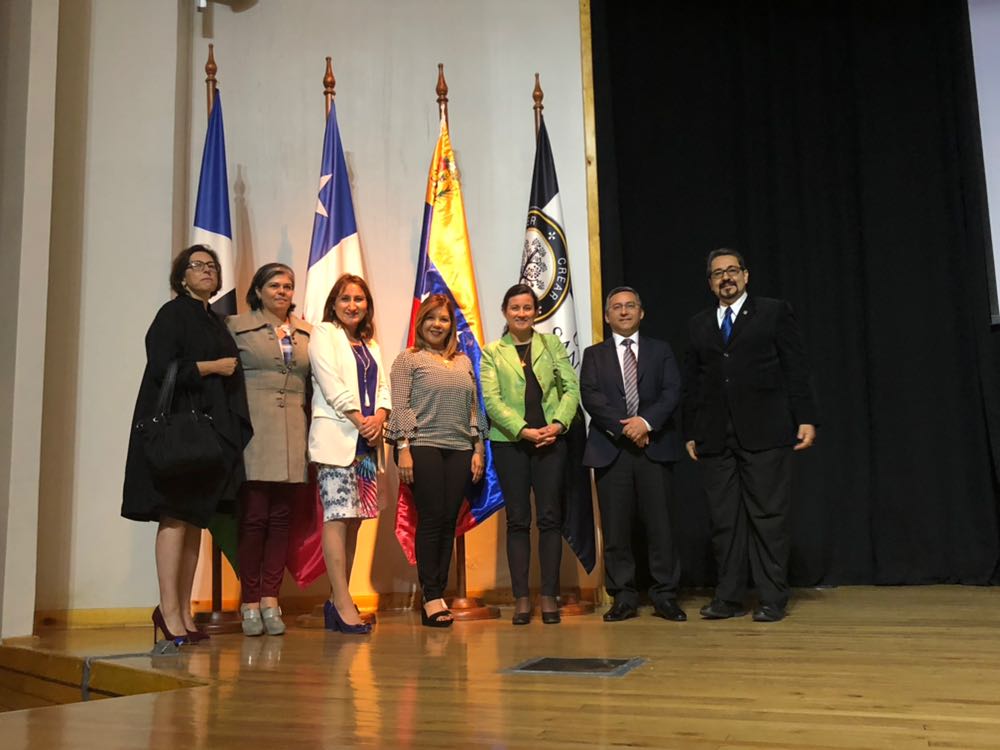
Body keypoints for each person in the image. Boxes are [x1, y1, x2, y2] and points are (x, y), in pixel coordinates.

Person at [122, 244, 252, 645]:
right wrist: (212, 367)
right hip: (180, 435)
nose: (208, 271)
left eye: (213, 267)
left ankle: (184, 612)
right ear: (182, 277)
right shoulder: (172, 313)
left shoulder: (214, 320)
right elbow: (162, 367)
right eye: (199, 266)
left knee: (196, 520)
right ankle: (168, 611)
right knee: (174, 517)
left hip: (208, 437)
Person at [683, 248, 818, 622]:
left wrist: (805, 417)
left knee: (768, 518)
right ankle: (728, 598)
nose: (726, 277)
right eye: (717, 273)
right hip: (715, 437)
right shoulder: (698, 324)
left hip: (766, 432)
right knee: (724, 521)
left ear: (746, 275)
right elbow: (693, 383)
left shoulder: (774, 312)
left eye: (732, 271)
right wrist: (690, 430)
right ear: (710, 282)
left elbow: (796, 368)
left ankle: (772, 598)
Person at [580, 286, 686, 623]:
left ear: (641, 312)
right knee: (616, 528)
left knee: (661, 527)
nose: (624, 312)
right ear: (608, 315)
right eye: (616, 307)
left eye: (630, 306)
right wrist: (627, 428)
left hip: (655, 447)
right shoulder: (594, 355)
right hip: (612, 451)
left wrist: (646, 422)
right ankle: (623, 597)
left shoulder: (661, 351)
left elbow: (672, 392)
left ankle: (665, 596)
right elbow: (591, 397)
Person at [480, 283, 580, 625]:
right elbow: (491, 400)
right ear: (505, 312)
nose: (521, 313)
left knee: (550, 518)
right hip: (511, 444)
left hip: (551, 442)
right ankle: (522, 598)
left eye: (527, 307)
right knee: (518, 520)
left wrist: (557, 424)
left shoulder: (550, 344)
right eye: (515, 308)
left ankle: (549, 595)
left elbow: (570, 388)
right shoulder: (492, 351)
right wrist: (522, 429)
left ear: (536, 311)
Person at [387, 295, 486, 627]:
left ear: (451, 325)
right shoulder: (408, 359)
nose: (437, 325)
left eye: (443, 319)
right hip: (421, 446)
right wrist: (403, 448)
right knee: (431, 520)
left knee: (448, 521)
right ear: (421, 323)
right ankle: (430, 597)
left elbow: (474, 410)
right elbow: (400, 406)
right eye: (431, 318)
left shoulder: (463, 362)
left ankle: (439, 593)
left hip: (460, 449)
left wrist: (478, 449)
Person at [227, 263, 312, 637]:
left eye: (288, 286)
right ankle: (249, 601)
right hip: (254, 431)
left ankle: (270, 600)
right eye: (274, 285)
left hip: (294, 430)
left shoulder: (308, 333)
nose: (282, 291)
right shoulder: (236, 327)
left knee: (281, 521)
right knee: (253, 518)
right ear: (258, 290)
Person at [308, 273, 390, 635]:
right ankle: (342, 603)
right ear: (334, 303)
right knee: (337, 519)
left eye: (359, 299)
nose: (352, 305)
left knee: (355, 521)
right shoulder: (324, 334)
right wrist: (361, 420)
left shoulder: (369, 343)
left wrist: (381, 418)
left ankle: (337, 599)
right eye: (345, 299)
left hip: (367, 445)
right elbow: (331, 385)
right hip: (337, 438)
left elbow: (383, 387)